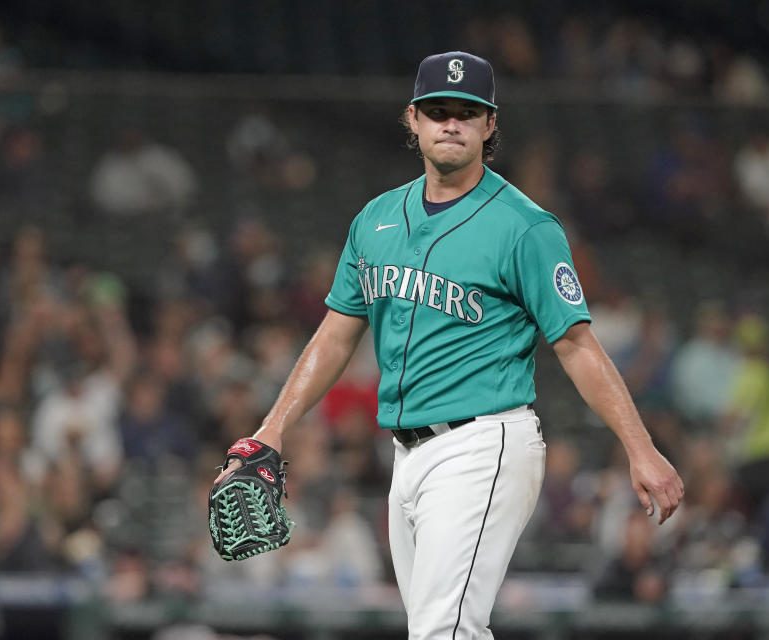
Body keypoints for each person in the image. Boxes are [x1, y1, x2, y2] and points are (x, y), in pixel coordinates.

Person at [216, 51, 683, 639]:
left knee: (446, 631)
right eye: (439, 111)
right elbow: (336, 333)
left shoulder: (525, 227)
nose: (452, 123)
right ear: (413, 119)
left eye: (468, 112)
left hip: (483, 444)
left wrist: (639, 448)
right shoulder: (376, 219)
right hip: (407, 456)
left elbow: (577, 346)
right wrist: (272, 428)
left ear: (490, 125)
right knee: (436, 630)